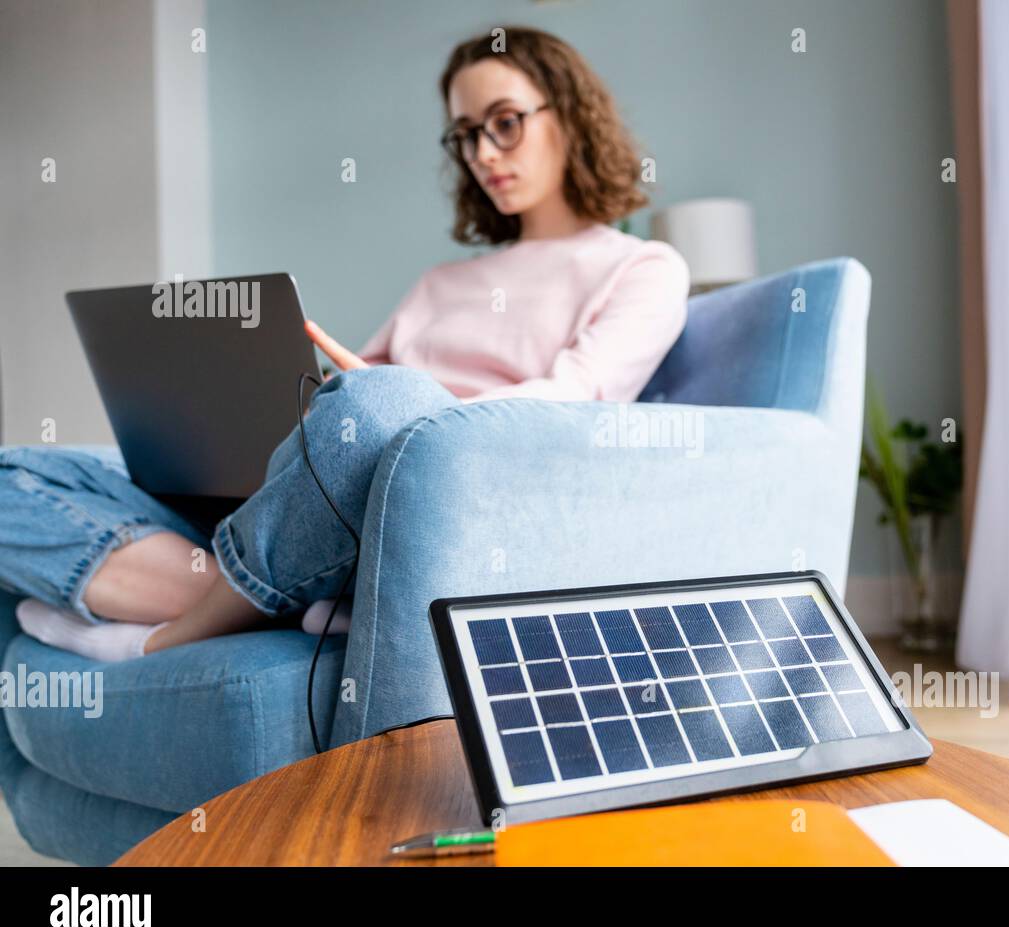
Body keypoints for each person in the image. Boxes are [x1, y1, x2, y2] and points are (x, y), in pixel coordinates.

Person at [0, 26, 689, 662]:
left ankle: (170, 633)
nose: (483, 154)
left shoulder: (643, 267)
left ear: (567, 112)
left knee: (383, 397)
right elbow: (340, 405)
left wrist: (401, 403)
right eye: (465, 135)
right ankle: (259, 597)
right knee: (14, 474)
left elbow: (574, 404)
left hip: (429, 493)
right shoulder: (442, 282)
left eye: (505, 123)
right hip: (309, 489)